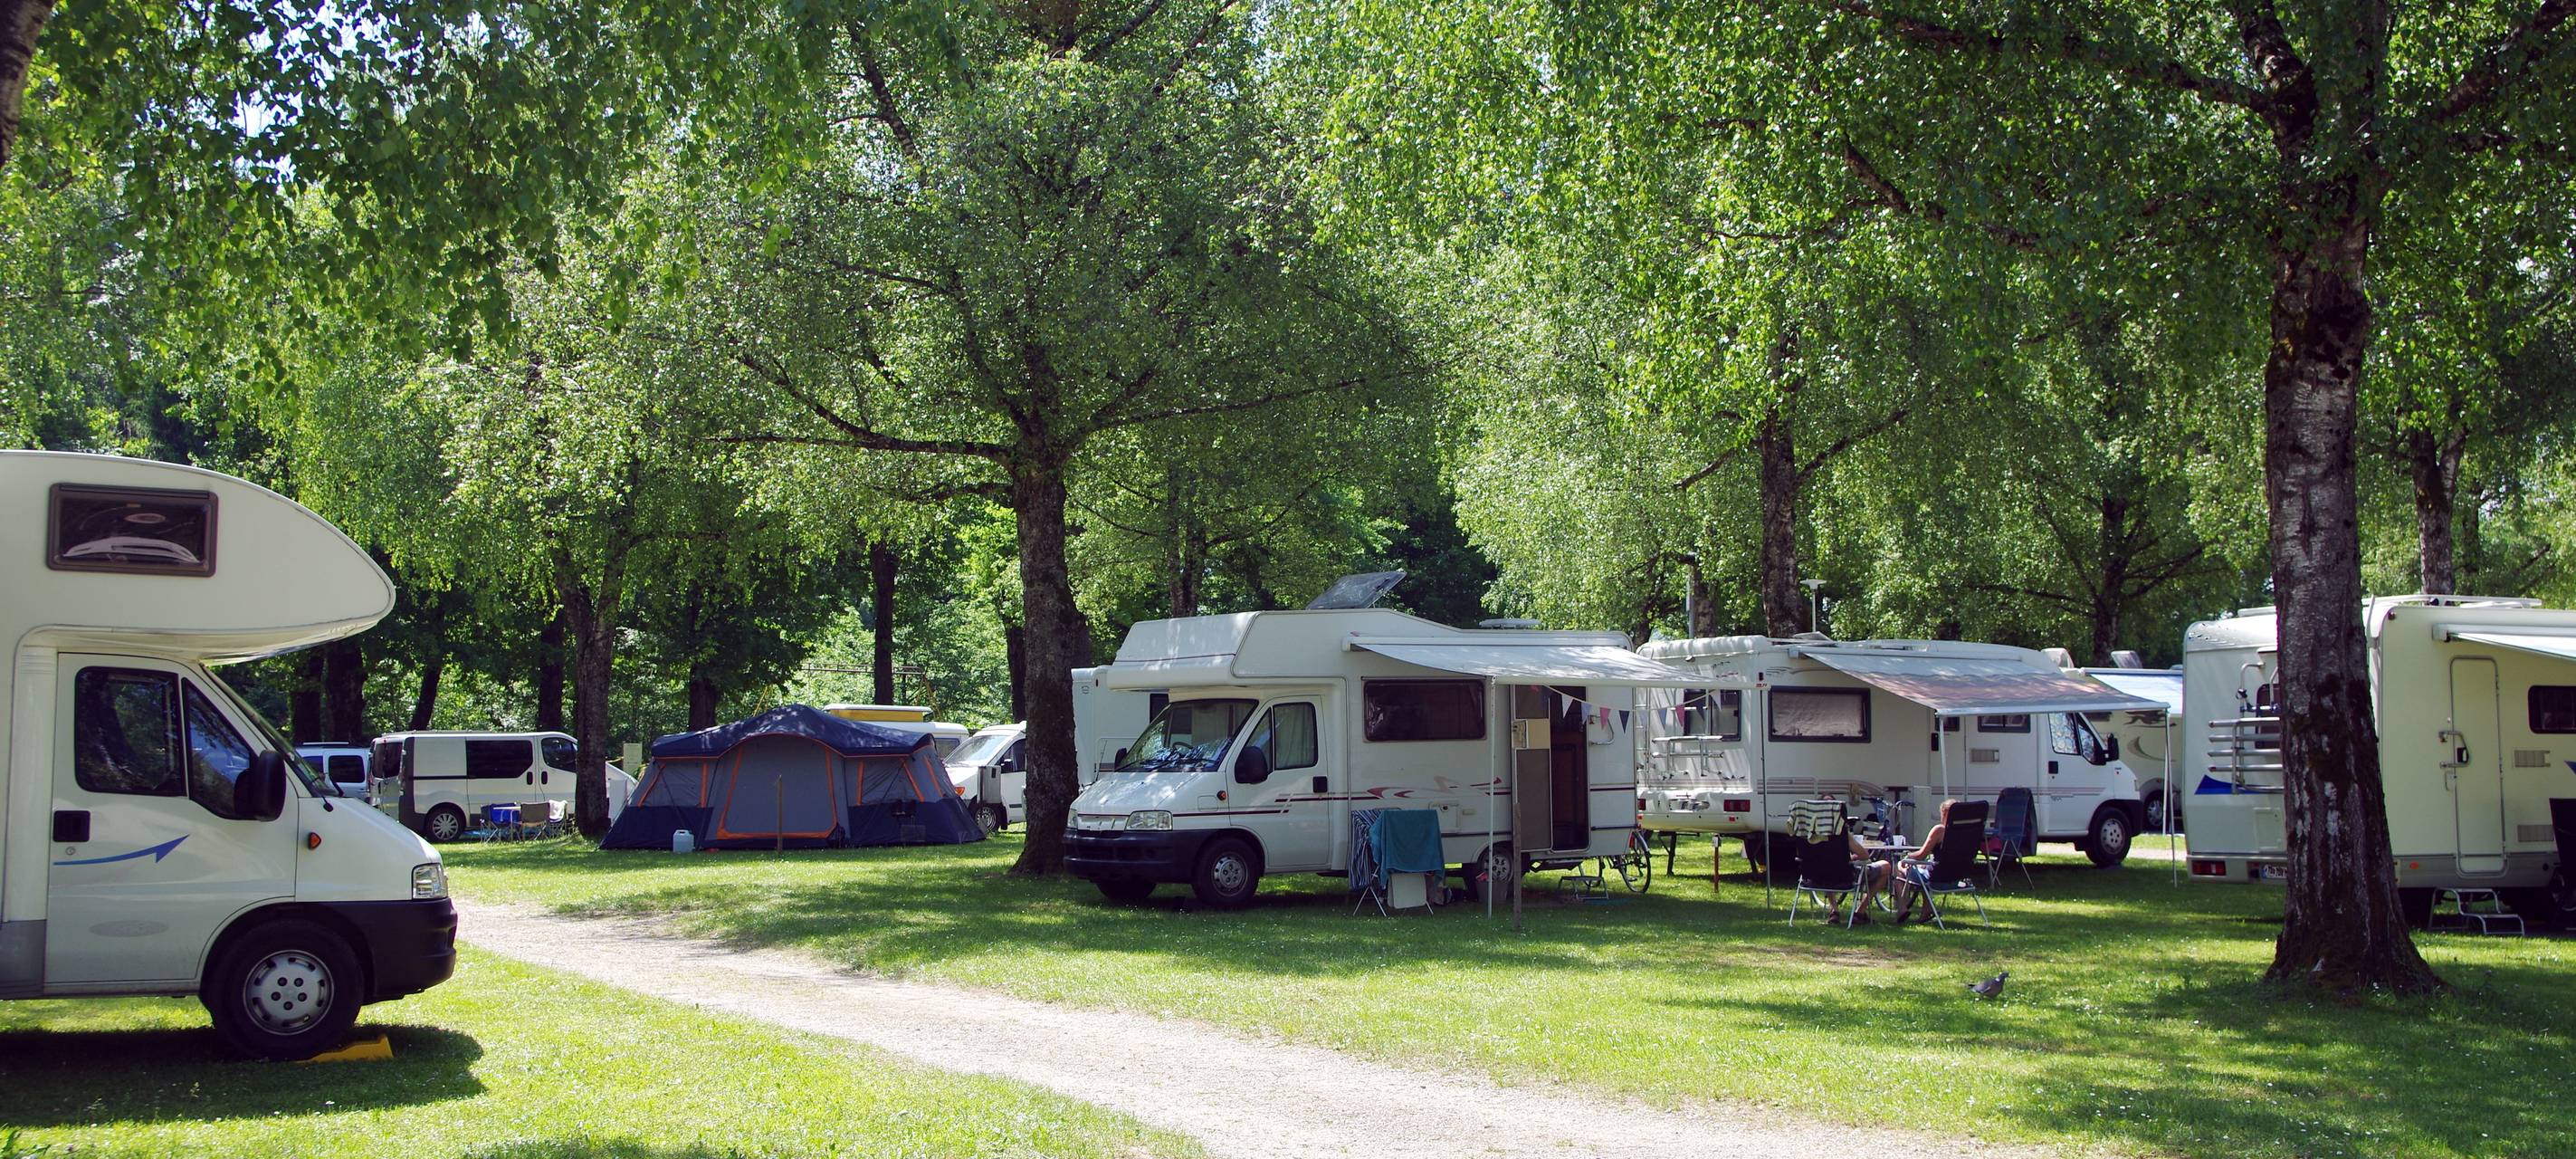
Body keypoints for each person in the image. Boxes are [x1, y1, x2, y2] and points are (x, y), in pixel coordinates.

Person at [1891, 798, 1960, 924]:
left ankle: (1902, 907)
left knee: (1899, 866)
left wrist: (1908, 856)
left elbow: (1921, 855)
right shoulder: (1965, 833)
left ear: (1944, 813)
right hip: (1955, 880)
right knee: (1923, 870)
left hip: (1936, 880)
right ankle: (1926, 910)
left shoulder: (1940, 830)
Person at [1821, 818, 1897, 924]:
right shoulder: (1842, 834)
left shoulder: (1809, 834)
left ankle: (1834, 910)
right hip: (1846, 875)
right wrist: (1851, 858)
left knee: (1827, 868)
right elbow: (1864, 855)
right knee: (1886, 866)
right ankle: (1860, 912)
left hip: (1817, 876)